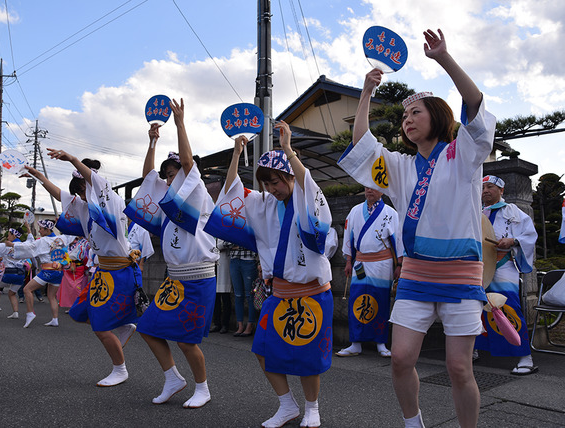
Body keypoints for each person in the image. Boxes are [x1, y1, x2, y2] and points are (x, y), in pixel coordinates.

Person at [337, 29, 496, 428]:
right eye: (405, 116)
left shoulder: (463, 155)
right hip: (415, 273)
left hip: (461, 272)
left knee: (459, 368)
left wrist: (444, 57)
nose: (408, 121)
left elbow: (475, 106)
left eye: (416, 114)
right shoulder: (400, 167)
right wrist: (366, 94)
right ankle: (414, 422)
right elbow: (362, 146)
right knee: (402, 359)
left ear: (438, 117)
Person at [205, 121, 334, 428]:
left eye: (276, 182)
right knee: (262, 349)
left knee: (307, 357)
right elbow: (232, 190)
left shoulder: (305, 199)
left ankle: (312, 408)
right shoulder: (261, 204)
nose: (271, 189)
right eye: (266, 184)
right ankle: (287, 404)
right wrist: (237, 152)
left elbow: (308, 186)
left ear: (290, 176)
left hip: (312, 292)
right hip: (279, 292)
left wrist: (288, 150)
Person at [125, 99, 218, 409]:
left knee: (186, 340)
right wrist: (152, 141)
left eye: (174, 172)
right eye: (167, 174)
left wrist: (180, 124)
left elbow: (190, 167)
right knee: (149, 329)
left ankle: (202, 388)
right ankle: (173, 378)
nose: (168, 178)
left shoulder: (197, 192)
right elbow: (147, 177)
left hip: (199, 277)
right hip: (173, 279)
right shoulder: (167, 200)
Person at [24, 155, 141, 387]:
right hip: (103, 272)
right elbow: (60, 195)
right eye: (78, 192)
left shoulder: (111, 200)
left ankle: (120, 369)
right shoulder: (84, 207)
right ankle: (123, 325)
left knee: (100, 326)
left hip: (119, 271)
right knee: (79, 313)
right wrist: (38, 176)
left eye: (83, 188)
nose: (80, 196)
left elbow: (94, 182)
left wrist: (71, 159)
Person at [475, 175, 538, 375]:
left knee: (508, 307)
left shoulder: (512, 211)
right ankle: (474, 349)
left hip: (503, 266)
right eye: (482, 187)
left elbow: (529, 235)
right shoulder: (475, 212)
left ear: (501, 190)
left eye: (490, 187)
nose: (485, 191)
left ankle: (524, 356)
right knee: (475, 308)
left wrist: (513, 240)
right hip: (478, 268)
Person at [336, 187, 403, 358]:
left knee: (380, 300)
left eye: (373, 188)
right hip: (360, 263)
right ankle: (355, 343)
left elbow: (398, 241)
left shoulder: (390, 213)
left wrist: (399, 265)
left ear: (382, 191)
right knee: (356, 300)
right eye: (366, 187)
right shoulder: (355, 211)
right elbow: (349, 237)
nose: (369, 190)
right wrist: (349, 261)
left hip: (383, 263)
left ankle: (380, 342)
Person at [6, 219, 72, 328]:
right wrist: (62, 222)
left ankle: (30, 313)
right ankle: (55, 319)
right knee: (51, 296)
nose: (39, 231)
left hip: (48, 271)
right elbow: (71, 234)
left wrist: (13, 245)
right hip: (59, 272)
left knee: (27, 289)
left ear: (47, 229)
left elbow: (29, 247)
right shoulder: (62, 238)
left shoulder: (43, 241)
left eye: (41, 229)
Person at [0, 228, 30, 320]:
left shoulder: (6, 246)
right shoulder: (25, 245)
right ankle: (15, 312)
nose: (7, 237)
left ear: (14, 235)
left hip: (9, 273)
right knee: (12, 293)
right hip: (21, 275)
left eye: (9, 234)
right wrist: (28, 228)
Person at [227, 243, 258, 337]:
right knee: (238, 295)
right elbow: (224, 243)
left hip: (249, 260)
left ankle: (250, 325)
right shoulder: (232, 227)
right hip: (234, 260)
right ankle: (240, 325)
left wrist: (237, 245)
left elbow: (254, 242)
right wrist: (241, 244)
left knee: (250, 295)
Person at [57, 236, 90, 311]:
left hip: (78, 268)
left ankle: (78, 306)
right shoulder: (67, 246)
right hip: (69, 268)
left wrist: (86, 268)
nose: (75, 240)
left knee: (76, 287)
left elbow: (86, 257)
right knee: (69, 287)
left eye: (76, 238)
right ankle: (72, 305)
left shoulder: (84, 243)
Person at [210, 239, 232, 334]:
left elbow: (230, 242)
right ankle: (216, 323)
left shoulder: (227, 226)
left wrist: (218, 246)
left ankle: (225, 324)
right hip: (212, 263)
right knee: (215, 297)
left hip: (224, 262)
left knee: (225, 296)